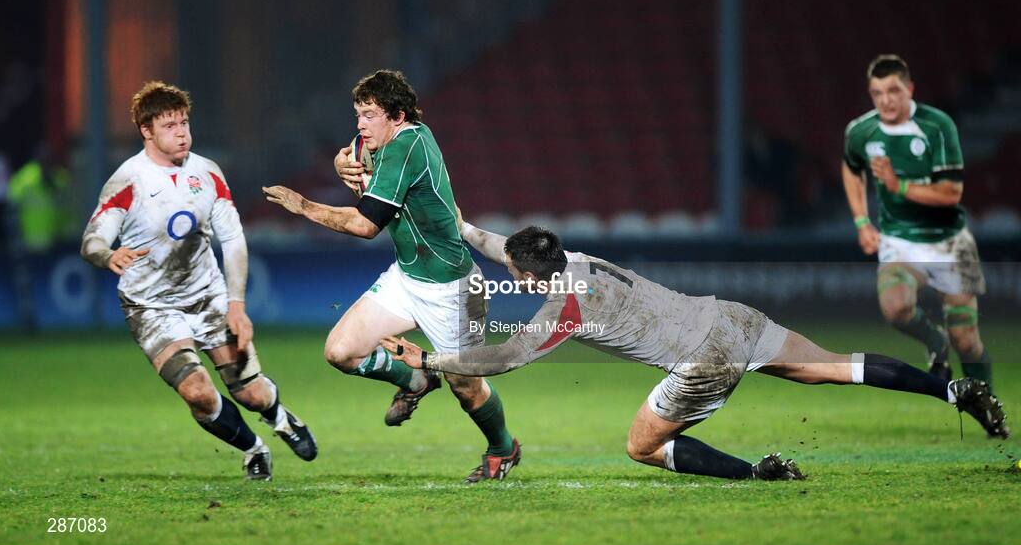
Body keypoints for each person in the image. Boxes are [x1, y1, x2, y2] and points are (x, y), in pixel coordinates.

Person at [381, 220, 1009, 481]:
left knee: (640, 447)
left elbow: (499, 360)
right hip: (729, 317)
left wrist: (429, 361)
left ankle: (757, 473)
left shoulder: (561, 310)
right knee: (835, 368)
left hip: (702, 359)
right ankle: (955, 390)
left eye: (515, 271)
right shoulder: (576, 260)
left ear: (527, 275)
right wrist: (460, 227)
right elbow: (506, 245)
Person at [262, 70, 520, 482]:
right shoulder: (391, 137)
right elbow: (364, 173)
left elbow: (366, 225)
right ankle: (416, 378)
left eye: (368, 114)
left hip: (452, 287)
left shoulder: (408, 146)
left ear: (397, 116)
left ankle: (503, 448)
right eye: (358, 114)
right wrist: (341, 164)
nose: (360, 124)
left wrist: (304, 206)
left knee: (467, 387)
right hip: (406, 277)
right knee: (341, 351)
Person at [81, 81, 317, 481]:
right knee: (197, 392)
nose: (181, 132)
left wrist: (236, 304)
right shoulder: (128, 181)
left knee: (250, 392)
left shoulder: (207, 173)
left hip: (208, 296)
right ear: (147, 130)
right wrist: (108, 254)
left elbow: (233, 240)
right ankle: (254, 449)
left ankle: (280, 418)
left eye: (185, 123)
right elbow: (92, 240)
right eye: (170, 125)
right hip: (150, 306)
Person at [841, 55, 992, 389]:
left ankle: (986, 400)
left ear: (909, 89)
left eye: (893, 91)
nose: (885, 100)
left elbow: (951, 192)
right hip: (899, 241)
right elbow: (851, 168)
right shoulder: (861, 131)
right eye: (877, 93)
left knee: (966, 340)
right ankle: (936, 342)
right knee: (895, 309)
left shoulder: (938, 126)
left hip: (951, 240)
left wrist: (900, 186)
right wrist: (863, 222)